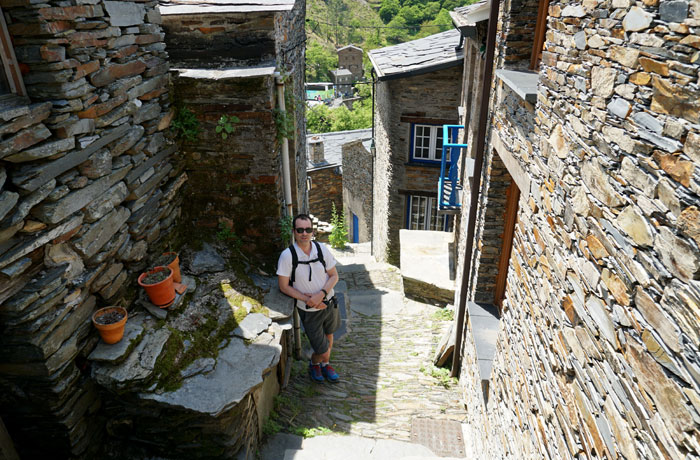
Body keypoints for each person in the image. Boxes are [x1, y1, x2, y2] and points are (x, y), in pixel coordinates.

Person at [277, 214, 341, 383]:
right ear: (294, 232)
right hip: (308, 310)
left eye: (308, 230)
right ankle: (314, 363)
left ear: (313, 231)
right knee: (321, 346)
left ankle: (325, 364)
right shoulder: (287, 256)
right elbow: (283, 286)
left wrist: (321, 294)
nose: (304, 233)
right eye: (300, 230)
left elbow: (334, 276)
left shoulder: (322, 250)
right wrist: (308, 300)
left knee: (329, 333)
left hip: (329, 303)